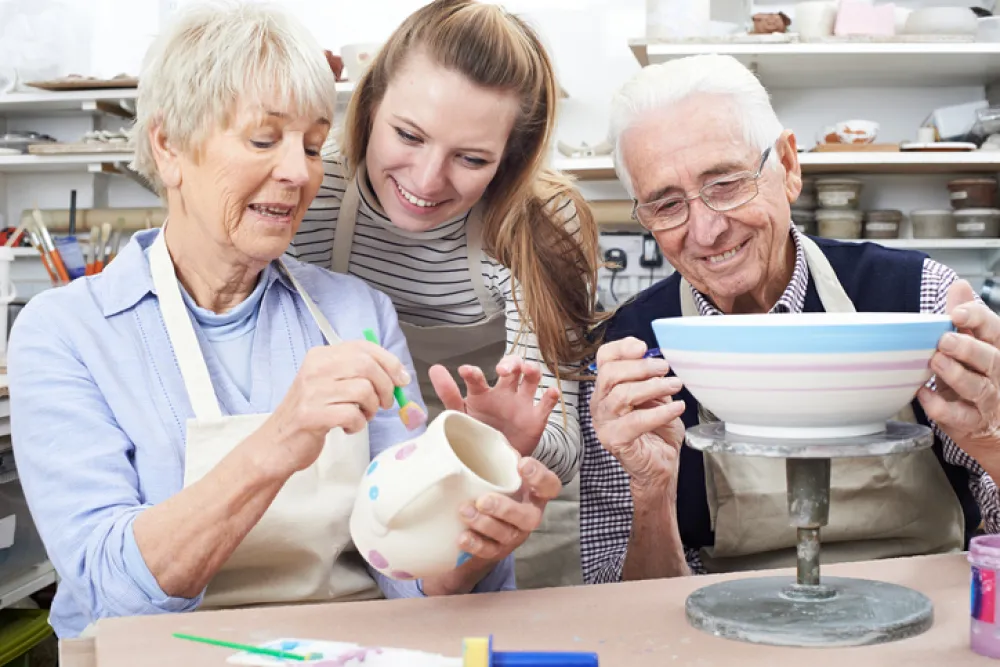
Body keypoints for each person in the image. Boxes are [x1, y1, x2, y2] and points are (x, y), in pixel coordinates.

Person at [7, 2, 562, 639]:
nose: (298, 172)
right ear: (168, 146)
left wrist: (474, 512)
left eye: (312, 144)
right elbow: (109, 593)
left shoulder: (356, 314)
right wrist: (278, 443)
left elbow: (405, 576)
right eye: (264, 139)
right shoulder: (67, 332)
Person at [579, 54, 1000, 582]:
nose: (707, 230)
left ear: (788, 166)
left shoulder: (922, 299)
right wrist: (651, 492)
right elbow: (622, 609)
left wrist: (993, 435)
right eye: (667, 205)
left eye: (726, 183)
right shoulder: (631, 355)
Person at [288, 0, 603, 589]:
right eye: (408, 135)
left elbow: (564, 441)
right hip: (355, 498)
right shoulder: (314, 194)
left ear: (510, 155)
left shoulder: (538, 222)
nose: (427, 180)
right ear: (372, 101)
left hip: (502, 505)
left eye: (471, 158)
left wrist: (511, 439)